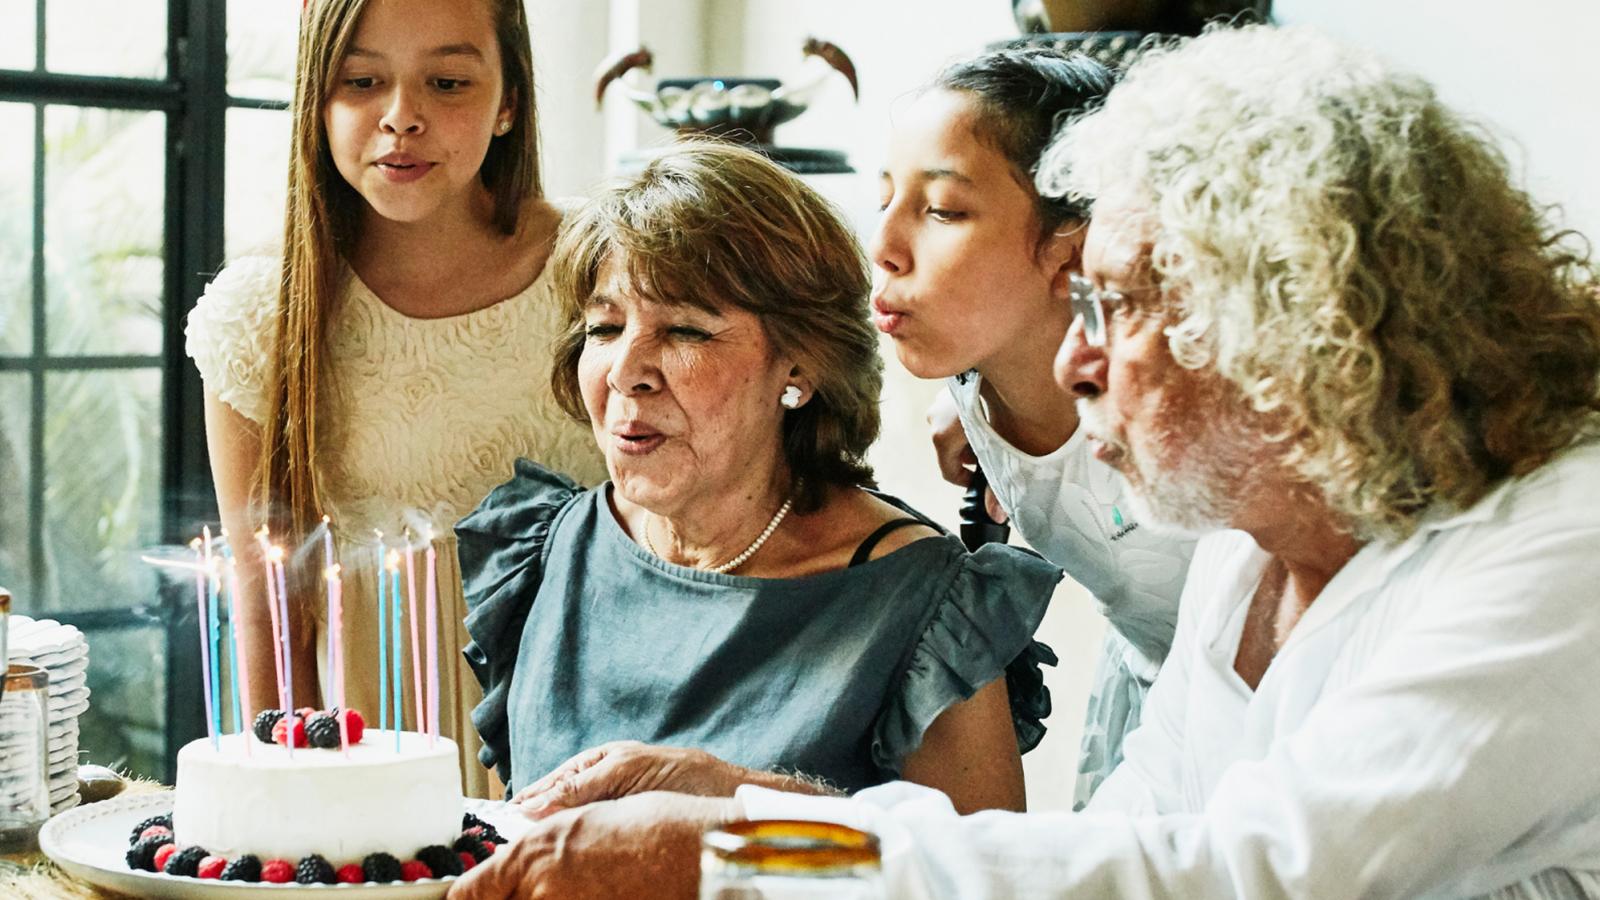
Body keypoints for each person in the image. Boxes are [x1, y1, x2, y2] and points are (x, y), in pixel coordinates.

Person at [446, 25, 1600, 899]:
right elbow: (1118, 843)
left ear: (1287, 314)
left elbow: (1249, 875)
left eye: (1114, 302)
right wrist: (741, 804)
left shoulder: (1562, 550)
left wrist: (729, 850)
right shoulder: (1244, 557)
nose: (1080, 356)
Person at [453, 140, 1062, 816]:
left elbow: (983, 879)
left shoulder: (926, 608)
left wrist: (738, 803)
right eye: (605, 326)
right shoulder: (545, 549)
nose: (627, 370)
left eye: (685, 330)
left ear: (800, 368)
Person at [185, 0, 605, 799]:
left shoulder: (603, 269)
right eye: (361, 81)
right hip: (373, 796)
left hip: (590, 766)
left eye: (447, 81)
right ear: (316, 98)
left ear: (509, 99)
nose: (402, 118)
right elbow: (270, 602)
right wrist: (293, 807)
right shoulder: (260, 318)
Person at [873, 47, 1197, 806]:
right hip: (1149, 705)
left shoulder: (1180, 411)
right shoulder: (970, 376)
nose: (884, 249)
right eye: (885, 199)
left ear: (1071, 247)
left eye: (943, 210)